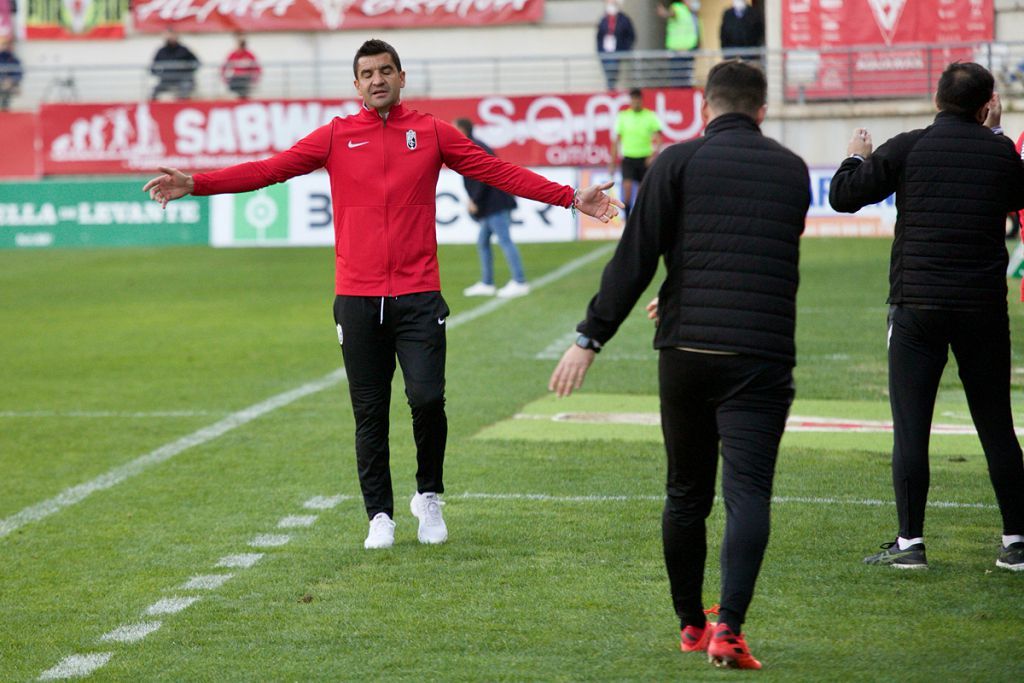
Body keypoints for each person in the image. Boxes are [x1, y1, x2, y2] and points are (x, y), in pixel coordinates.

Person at [144, 39, 622, 552]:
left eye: (385, 71)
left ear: (401, 76)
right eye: (367, 73)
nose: (377, 80)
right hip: (356, 297)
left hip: (419, 295)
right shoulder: (334, 137)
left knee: (427, 398)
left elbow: (498, 172)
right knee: (369, 411)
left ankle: (429, 496)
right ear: (356, 84)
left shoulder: (433, 132)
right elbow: (269, 169)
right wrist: (197, 182)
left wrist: (571, 196)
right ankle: (379, 515)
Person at [550, 60, 810, 670]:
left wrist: (589, 338)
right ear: (763, 110)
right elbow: (759, 250)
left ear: (703, 107)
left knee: (686, 493)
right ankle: (733, 630)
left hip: (688, 350)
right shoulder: (793, 170)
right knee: (748, 493)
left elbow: (636, 258)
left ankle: (693, 624)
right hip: (761, 353)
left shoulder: (675, 161)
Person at [829, 62, 1024, 572]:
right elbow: (1017, 194)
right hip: (981, 307)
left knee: (911, 427)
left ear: (936, 100)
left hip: (916, 305)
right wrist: (995, 133)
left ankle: (910, 544)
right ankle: (1017, 541)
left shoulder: (908, 145)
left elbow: (843, 197)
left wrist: (856, 156)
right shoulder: (999, 150)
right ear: (986, 106)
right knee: (997, 426)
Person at [454, 118, 529, 299]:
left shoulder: (475, 146)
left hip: (495, 203)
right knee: (484, 242)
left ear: (463, 129)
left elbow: (484, 175)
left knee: (504, 241)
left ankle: (519, 281)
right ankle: (487, 283)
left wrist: (475, 200)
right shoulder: (475, 145)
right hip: (490, 204)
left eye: (455, 128)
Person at [609, 88, 662, 217]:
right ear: (631, 101)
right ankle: (627, 223)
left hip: (644, 159)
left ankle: (640, 220)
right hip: (628, 158)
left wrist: (653, 155)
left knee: (642, 194)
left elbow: (659, 138)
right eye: (633, 100)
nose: (636, 102)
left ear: (641, 100)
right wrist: (612, 161)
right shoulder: (623, 116)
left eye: (638, 99)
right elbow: (616, 141)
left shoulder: (649, 116)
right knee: (627, 191)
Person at [656, 0, 701, 88]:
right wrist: (665, 13)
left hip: (689, 50)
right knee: (677, 78)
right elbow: (672, 14)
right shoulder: (677, 7)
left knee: (687, 78)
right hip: (677, 51)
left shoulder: (693, 14)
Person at [596, 0, 635, 91]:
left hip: (617, 52)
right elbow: (599, 37)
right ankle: (611, 88)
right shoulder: (604, 19)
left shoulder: (624, 20)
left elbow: (631, 36)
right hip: (605, 52)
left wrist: (624, 49)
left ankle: (611, 89)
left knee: (613, 71)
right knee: (608, 72)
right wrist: (600, 50)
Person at [150, 29, 199, 101]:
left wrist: (188, 72)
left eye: (172, 35)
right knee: (154, 91)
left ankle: (182, 106)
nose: (170, 37)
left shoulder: (184, 50)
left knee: (186, 87)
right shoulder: (161, 51)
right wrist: (160, 74)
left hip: (182, 79)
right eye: (168, 35)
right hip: (166, 80)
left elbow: (196, 63)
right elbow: (153, 67)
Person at [222, 33, 261, 100]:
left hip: (246, 78)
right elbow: (224, 67)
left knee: (244, 91)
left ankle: (243, 97)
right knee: (236, 88)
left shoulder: (249, 55)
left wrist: (255, 79)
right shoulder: (233, 54)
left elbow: (257, 68)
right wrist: (224, 79)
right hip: (236, 78)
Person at [0, 36, 23, 112]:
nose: (4, 46)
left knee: (7, 90)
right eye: (2, 44)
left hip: (9, 85)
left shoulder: (13, 59)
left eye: (6, 44)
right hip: (3, 83)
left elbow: (18, 73)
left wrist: (11, 80)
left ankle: (4, 110)